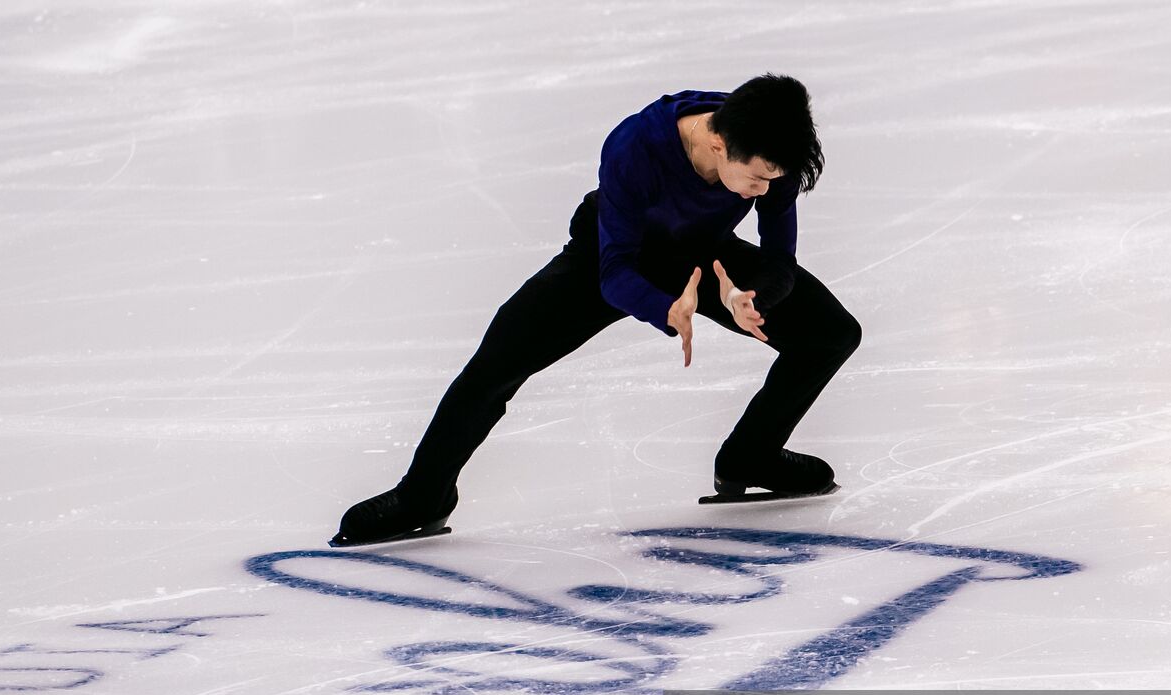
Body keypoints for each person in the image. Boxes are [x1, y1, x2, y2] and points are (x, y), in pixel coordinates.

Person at [330, 73, 862, 547]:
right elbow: (614, 274)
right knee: (495, 366)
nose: (767, 190)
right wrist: (666, 308)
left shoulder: (770, 143)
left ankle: (752, 455)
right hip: (613, 254)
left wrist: (751, 298)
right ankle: (423, 495)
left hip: (703, 252)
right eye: (759, 179)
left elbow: (778, 261)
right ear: (718, 144)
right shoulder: (638, 145)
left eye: (775, 179)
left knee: (830, 334)